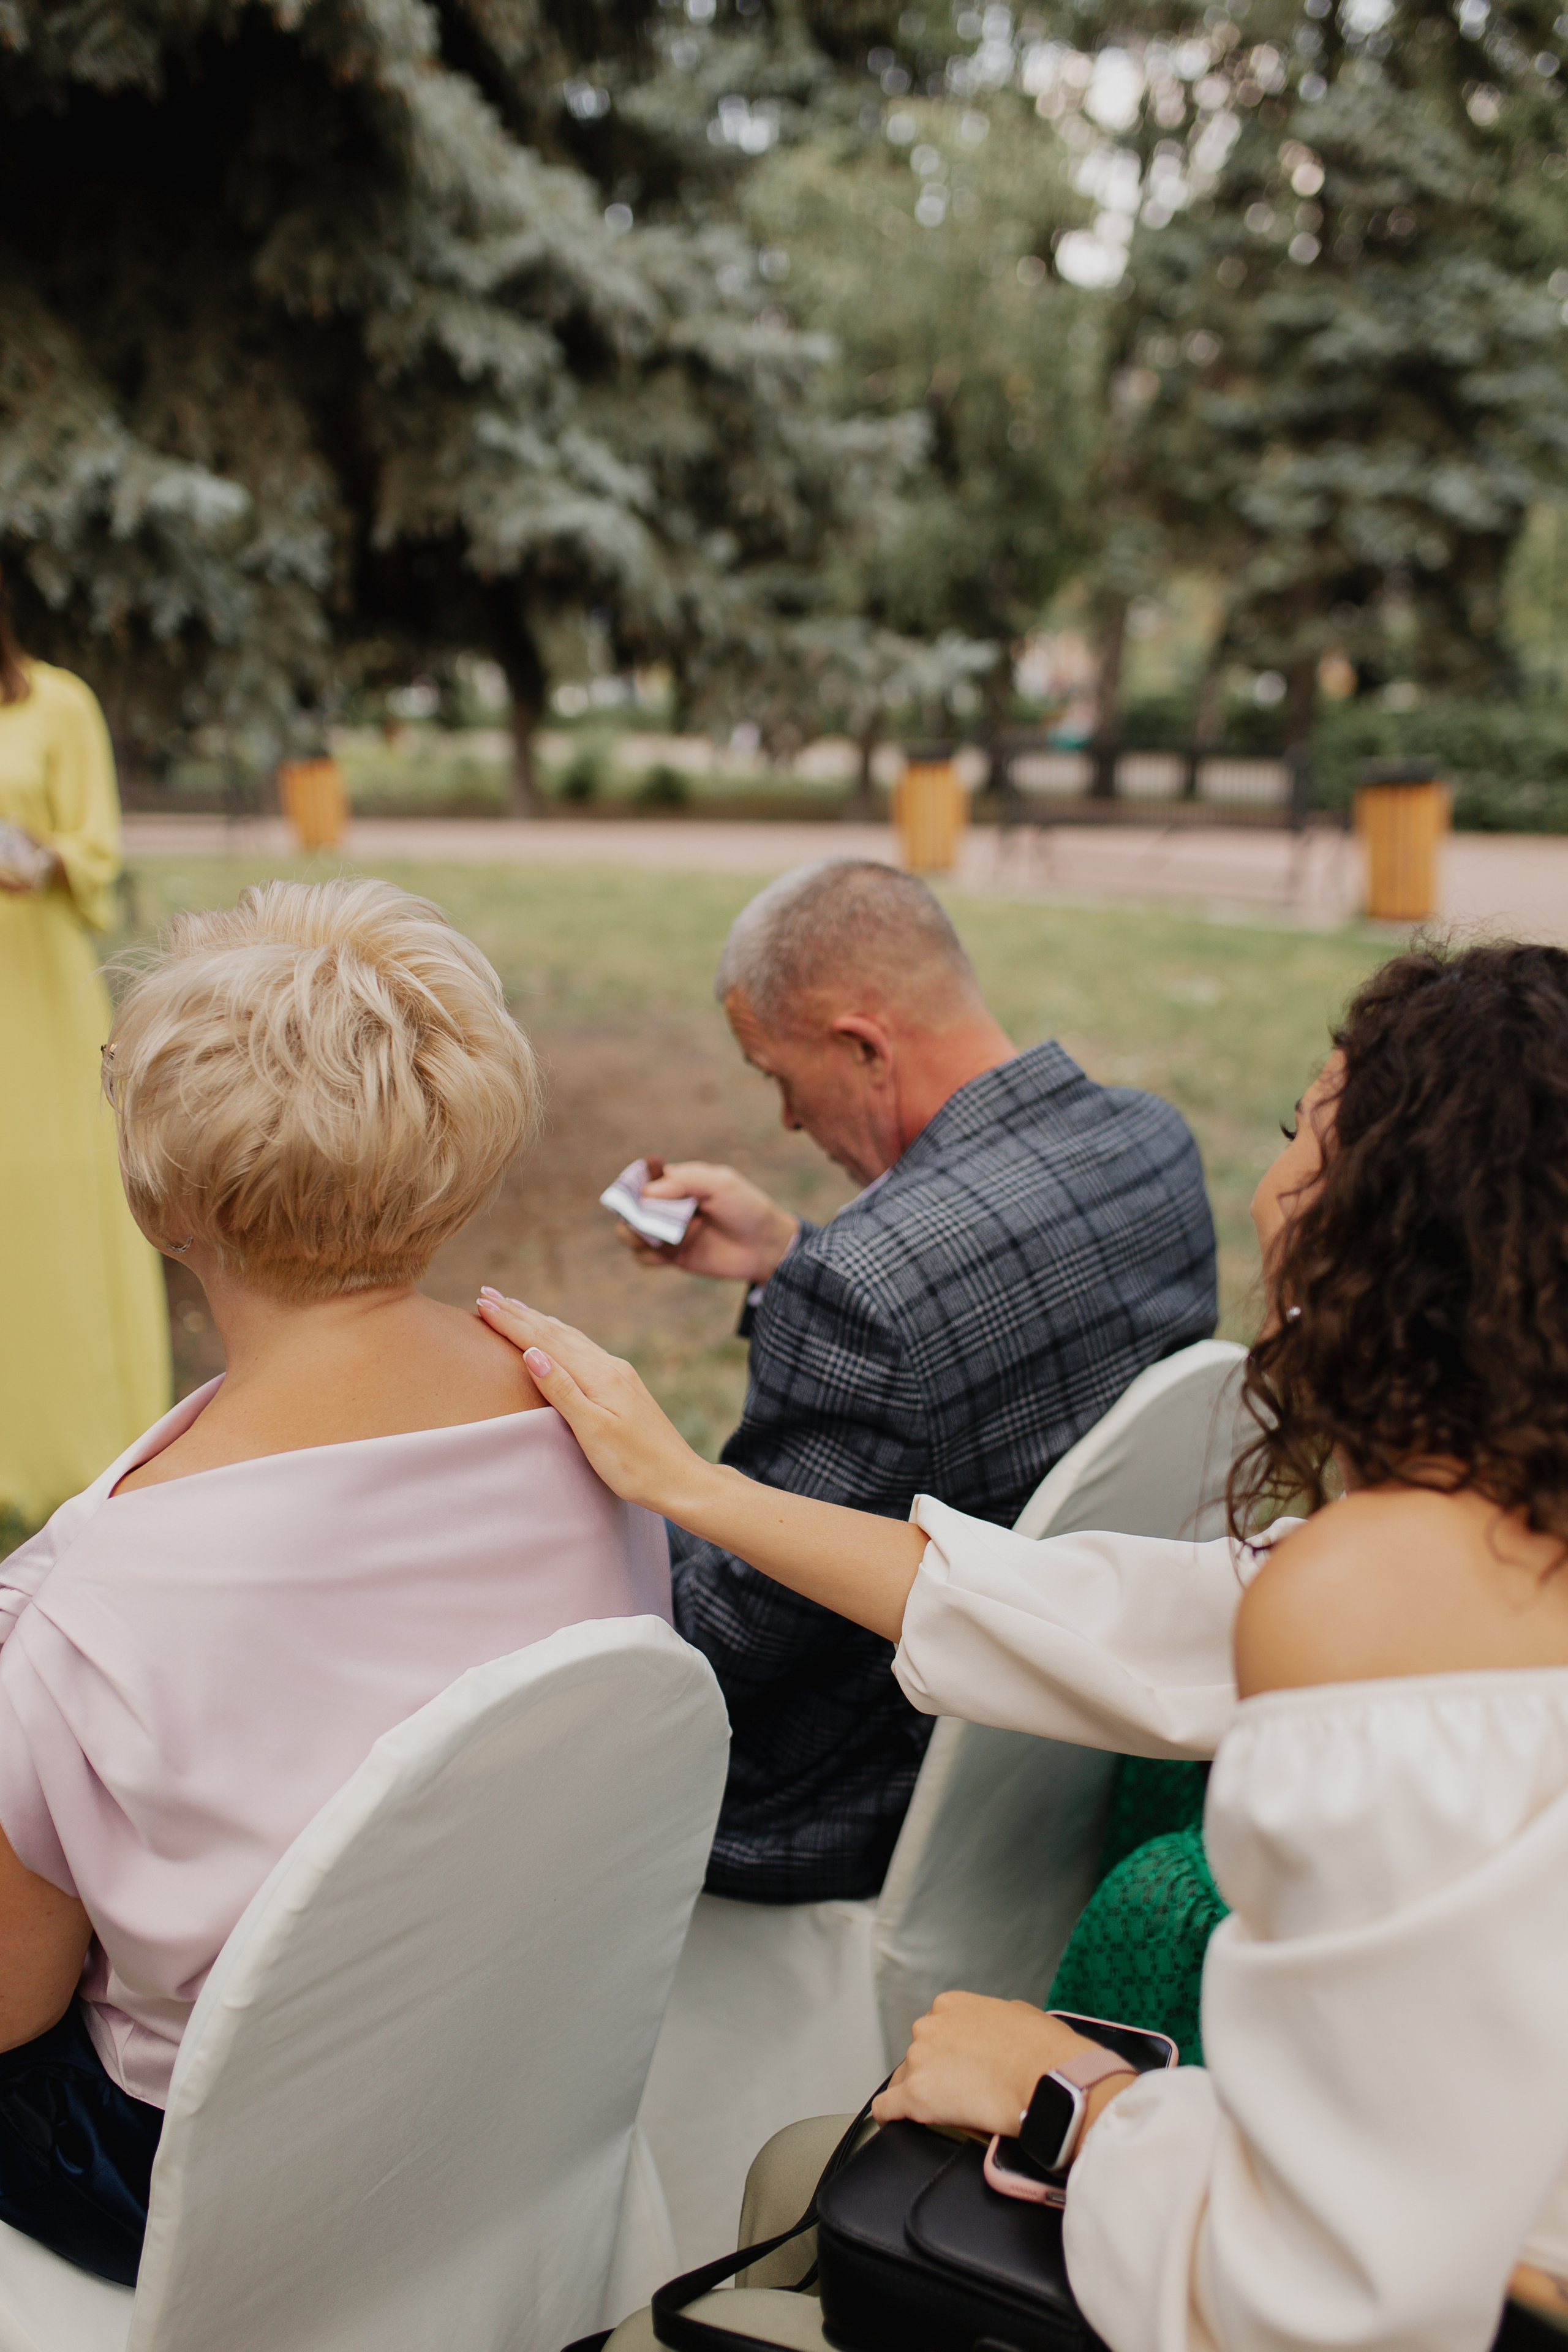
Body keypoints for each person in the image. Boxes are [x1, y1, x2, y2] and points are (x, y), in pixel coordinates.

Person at [483, 939, 1568, 2351]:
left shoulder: (1376, 1593)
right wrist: (693, 1484)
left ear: (1388, 1220)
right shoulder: (1487, 1534)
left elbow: (1322, 2298)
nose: (1275, 1171)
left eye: (1304, 1126)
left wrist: (1072, 2103)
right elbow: (1103, 1614)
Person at [0, 878, 669, 2286]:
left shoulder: (93, 1595)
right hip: (512, 2090)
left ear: (163, 1192)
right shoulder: (600, 1428)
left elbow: (12, 2003)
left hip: (208, 2186)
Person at [617, 859, 1216, 1902]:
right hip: (1066, 1744)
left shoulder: (867, 1287)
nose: (790, 1123)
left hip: (845, 1801)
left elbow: (721, 1637)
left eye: (777, 1077)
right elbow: (990, 1346)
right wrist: (788, 1258)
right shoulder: (1149, 1141)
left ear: (862, 1047)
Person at [0, 573, 170, 1535]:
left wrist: (37, 855)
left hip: (33, 975)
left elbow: (93, 846)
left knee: (54, 1190)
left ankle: (72, 1442)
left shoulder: (57, 703)